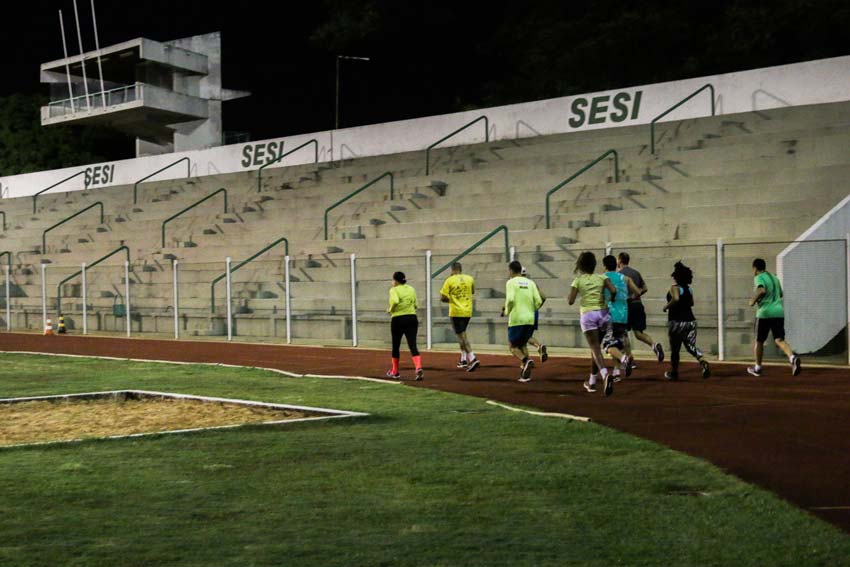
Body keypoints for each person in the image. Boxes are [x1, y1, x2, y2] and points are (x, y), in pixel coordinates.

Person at [569, 251, 618, 396]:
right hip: (604, 314)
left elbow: (570, 301)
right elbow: (614, 290)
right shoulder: (602, 277)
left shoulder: (578, 280)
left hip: (588, 315)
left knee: (595, 348)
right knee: (595, 349)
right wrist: (611, 299)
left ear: (581, 265)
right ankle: (591, 382)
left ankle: (605, 375)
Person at [747, 258, 801, 377]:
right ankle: (792, 358)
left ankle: (758, 367)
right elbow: (780, 294)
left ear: (755, 268)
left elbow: (761, 290)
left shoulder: (758, 277)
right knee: (779, 339)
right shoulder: (775, 278)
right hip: (778, 312)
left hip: (765, 313)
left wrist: (753, 301)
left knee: (759, 340)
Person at [662, 261, 710, 380]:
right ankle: (702, 361)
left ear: (676, 277)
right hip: (691, 321)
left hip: (677, 322)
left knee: (675, 349)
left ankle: (674, 372)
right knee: (690, 346)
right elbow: (691, 303)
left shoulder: (674, 288)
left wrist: (666, 306)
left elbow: (676, 298)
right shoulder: (689, 290)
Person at [617, 252, 664, 364]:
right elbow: (645, 288)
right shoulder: (636, 273)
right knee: (638, 333)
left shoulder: (620, 275)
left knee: (624, 333)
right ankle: (654, 345)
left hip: (626, 307)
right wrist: (636, 295)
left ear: (620, 261)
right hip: (638, 304)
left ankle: (629, 359)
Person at [601, 255, 642, 381]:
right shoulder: (625, 278)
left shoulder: (604, 278)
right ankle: (616, 372)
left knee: (608, 345)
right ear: (616, 265)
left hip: (610, 315)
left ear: (605, 266)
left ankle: (624, 360)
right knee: (617, 344)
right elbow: (638, 292)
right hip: (624, 315)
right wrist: (626, 299)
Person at [504, 260, 543, 382]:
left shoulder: (510, 282)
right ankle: (526, 375)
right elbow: (538, 301)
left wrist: (507, 311)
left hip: (517, 318)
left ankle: (526, 361)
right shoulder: (530, 283)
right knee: (523, 344)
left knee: (512, 347)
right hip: (530, 318)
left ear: (511, 271)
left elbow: (510, 300)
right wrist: (530, 310)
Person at [439, 262, 479, 371]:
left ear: (452, 270)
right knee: (462, 334)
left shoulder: (449, 280)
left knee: (462, 336)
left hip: (456, 311)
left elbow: (443, 297)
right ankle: (463, 359)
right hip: (467, 311)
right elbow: (472, 291)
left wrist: (452, 300)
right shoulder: (469, 278)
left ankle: (473, 358)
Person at [386, 271, 423, 380]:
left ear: (396, 281)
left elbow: (396, 301)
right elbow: (416, 305)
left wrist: (390, 310)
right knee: (412, 344)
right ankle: (418, 367)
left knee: (396, 346)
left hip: (398, 319)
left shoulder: (393, 290)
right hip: (412, 317)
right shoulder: (411, 289)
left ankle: (395, 371)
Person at [521, 266, 548, 363]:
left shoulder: (516, 284)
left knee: (521, 340)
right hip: (534, 312)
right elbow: (544, 297)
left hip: (523, 313)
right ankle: (539, 346)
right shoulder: (532, 284)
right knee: (527, 337)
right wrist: (537, 307)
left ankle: (525, 362)